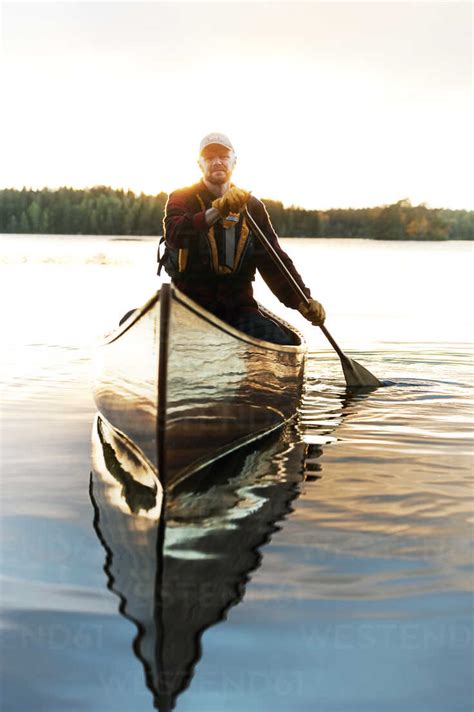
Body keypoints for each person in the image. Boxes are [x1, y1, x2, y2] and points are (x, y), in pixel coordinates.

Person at [160, 132, 325, 344]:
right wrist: (217, 211)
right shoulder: (181, 197)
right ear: (200, 164)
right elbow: (175, 234)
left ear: (234, 161)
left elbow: (273, 260)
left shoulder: (253, 207)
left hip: (237, 309)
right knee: (128, 319)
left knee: (285, 342)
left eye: (223, 156)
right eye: (209, 157)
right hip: (187, 307)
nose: (217, 162)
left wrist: (303, 300)